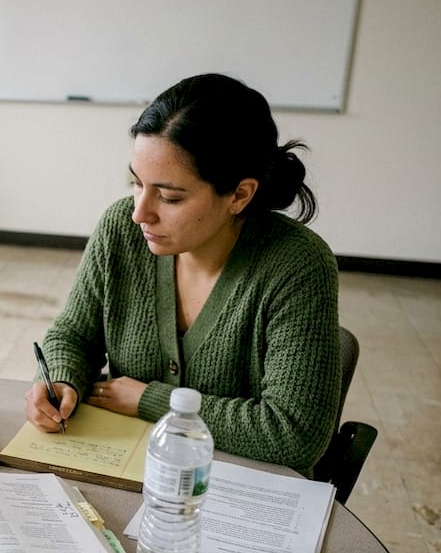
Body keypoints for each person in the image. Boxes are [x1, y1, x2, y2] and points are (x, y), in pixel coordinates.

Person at [25, 73, 340, 473]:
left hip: (242, 494)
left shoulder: (296, 265)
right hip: (131, 473)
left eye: (170, 197)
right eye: (136, 183)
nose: (140, 212)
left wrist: (152, 402)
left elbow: (293, 435)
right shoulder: (121, 229)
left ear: (240, 195)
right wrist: (61, 380)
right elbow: (74, 335)